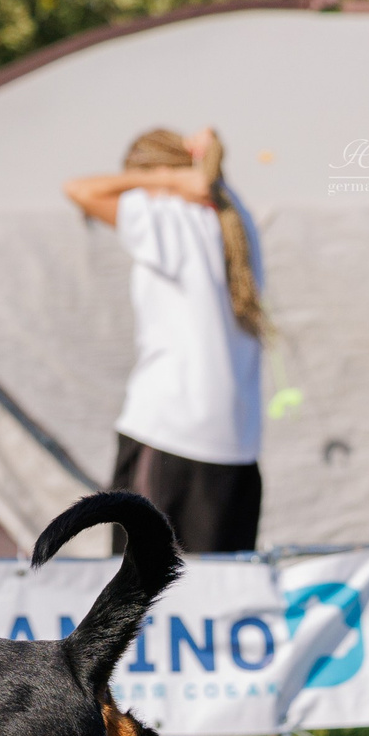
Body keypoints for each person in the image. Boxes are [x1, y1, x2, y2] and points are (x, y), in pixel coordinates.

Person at [61, 126, 269, 553]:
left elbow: (78, 189)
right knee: (217, 601)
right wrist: (202, 163)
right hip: (238, 445)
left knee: (137, 602)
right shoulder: (236, 215)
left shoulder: (166, 214)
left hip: (169, 431)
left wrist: (162, 180)